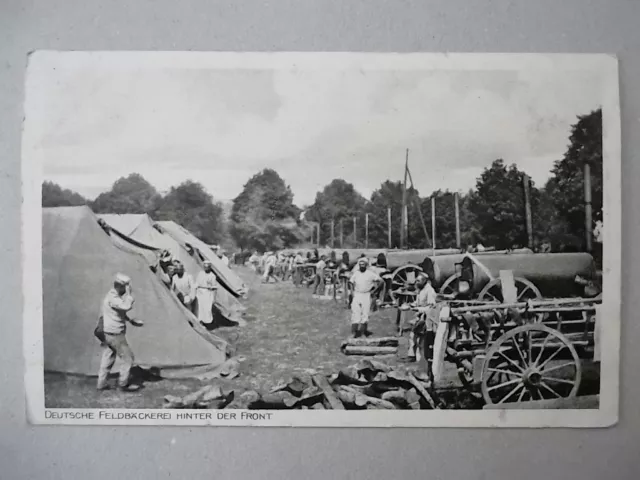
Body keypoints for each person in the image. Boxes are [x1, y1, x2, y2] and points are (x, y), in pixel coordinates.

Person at [96, 273, 143, 392]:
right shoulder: (114, 298)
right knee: (128, 358)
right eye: (125, 287)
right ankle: (123, 385)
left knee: (108, 357)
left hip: (108, 333)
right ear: (122, 287)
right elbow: (126, 306)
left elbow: (118, 313)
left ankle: (101, 383)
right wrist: (130, 294)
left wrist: (131, 321)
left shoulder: (112, 296)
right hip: (115, 333)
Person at [406, 273, 438, 362]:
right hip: (420, 316)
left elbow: (431, 307)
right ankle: (412, 356)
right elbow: (419, 302)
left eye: (418, 281)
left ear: (424, 281)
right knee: (413, 336)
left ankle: (419, 359)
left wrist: (418, 309)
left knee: (420, 339)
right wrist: (411, 305)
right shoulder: (421, 289)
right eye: (416, 280)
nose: (416, 282)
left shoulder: (430, 291)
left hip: (427, 318)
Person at [348, 257, 382, 338]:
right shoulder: (356, 273)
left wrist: (374, 291)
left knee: (365, 314)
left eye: (363, 265)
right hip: (357, 294)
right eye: (360, 265)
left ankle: (363, 332)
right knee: (355, 313)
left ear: (366, 265)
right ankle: (354, 333)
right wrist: (352, 292)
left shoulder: (370, 273)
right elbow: (350, 282)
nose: (361, 266)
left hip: (366, 295)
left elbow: (381, 281)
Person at [195, 260, 218, 327]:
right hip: (199, 292)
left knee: (207, 308)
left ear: (210, 267)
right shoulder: (200, 273)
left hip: (208, 293)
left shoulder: (212, 276)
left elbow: (214, 287)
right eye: (205, 267)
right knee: (199, 308)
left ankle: (208, 323)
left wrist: (214, 298)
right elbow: (197, 283)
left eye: (207, 267)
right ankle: (200, 322)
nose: (206, 268)